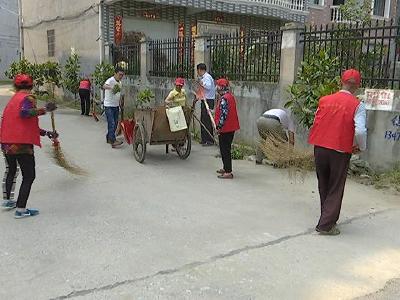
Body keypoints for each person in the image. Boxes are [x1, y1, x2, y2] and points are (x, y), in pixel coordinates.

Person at [309, 69, 367, 236]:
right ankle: (326, 225)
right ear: (358, 85)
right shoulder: (357, 105)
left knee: (324, 183)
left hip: (319, 146)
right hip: (340, 150)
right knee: (336, 186)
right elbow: (360, 131)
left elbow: (316, 122)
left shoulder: (324, 100)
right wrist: (361, 147)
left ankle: (327, 217)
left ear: (341, 81)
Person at [0, 74, 58, 218]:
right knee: (29, 175)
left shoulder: (12, 100)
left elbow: (25, 124)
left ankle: (7, 200)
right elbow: (25, 114)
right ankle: (20, 209)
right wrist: (45, 109)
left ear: (15, 86)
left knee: (11, 169)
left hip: (7, 143)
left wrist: (47, 133)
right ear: (31, 86)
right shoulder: (28, 98)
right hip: (21, 145)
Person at [214, 78, 240, 179]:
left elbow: (224, 115)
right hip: (231, 127)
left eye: (218, 86)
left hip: (226, 128)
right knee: (224, 148)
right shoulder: (230, 96)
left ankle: (228, 171)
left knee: (225, 149)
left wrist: (218, 126)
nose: (216, 88)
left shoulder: (224, 99)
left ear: (221, 87)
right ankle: (225, 167)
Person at [103, 68, 124, 148]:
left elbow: (118, 94)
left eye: (122, 75)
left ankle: (109, 137)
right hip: (108, 105)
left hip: (116, 105)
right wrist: (111, 88)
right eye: (119, 74)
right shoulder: (110, 80)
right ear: (115, 74)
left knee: (115, 123)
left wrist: (120, 103)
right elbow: (104, 85)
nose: (121, 76)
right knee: (111, 123)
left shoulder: (120, 83)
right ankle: (113, 140)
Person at [197, 63, 216, 146]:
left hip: (208, 100)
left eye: (198, 70)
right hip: (205, 99)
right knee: (203, 119)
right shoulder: (204, 77)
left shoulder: (207, 77)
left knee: (207, 120)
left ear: (201, 70)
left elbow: (208, 86)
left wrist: (201, 83)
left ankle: (209, 140)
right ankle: (204, 139)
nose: (197, 72)